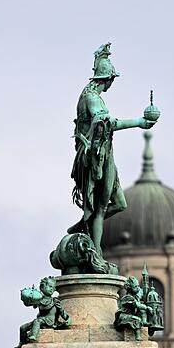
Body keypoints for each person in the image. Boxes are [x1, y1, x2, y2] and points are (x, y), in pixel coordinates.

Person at [68, 43, 156, 254]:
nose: (111, 85)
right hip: (95, 157)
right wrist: (139, 122)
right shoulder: (91, 98)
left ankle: (83, 224)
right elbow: (106, 123)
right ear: (107, 79)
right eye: (112, 80)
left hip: (104, 153)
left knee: (119, 203)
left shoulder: (91, 96)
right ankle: (96, 252)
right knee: (99, 208)